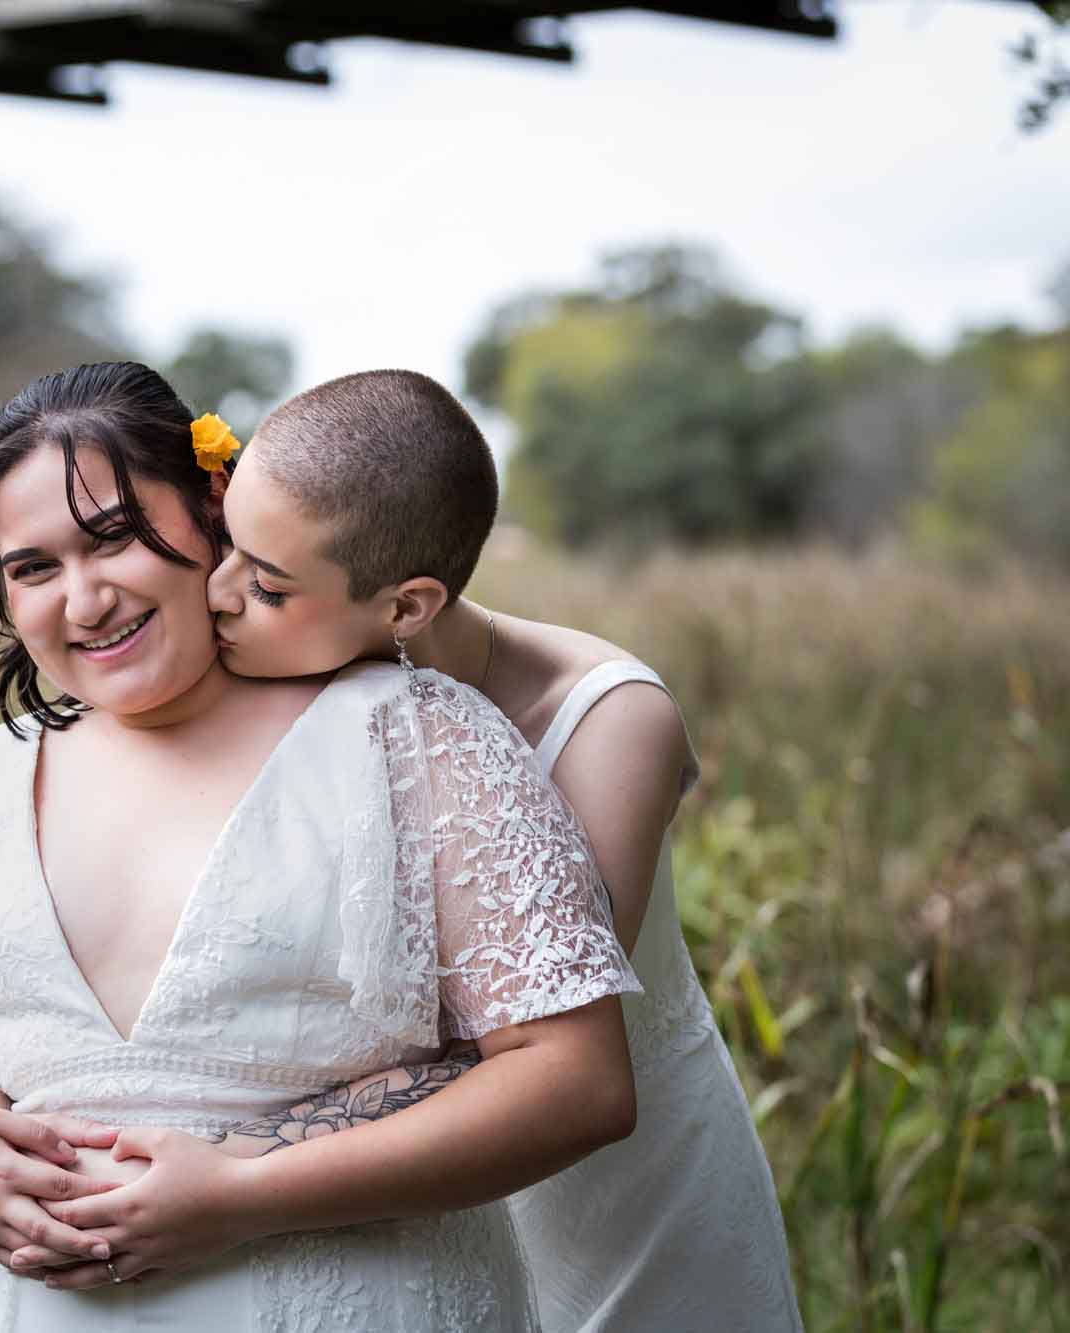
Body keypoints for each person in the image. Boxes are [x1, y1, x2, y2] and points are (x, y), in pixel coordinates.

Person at [0, 361, 640, 1330]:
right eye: (32, 567)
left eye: (112, 538)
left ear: (214, 506)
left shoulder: (412, 734)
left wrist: (241, 1197)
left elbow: (576, 1080)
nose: (82, 601)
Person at [183, 369, 802, 1330]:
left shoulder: (606, 720)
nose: (219, 595)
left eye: (265, 584)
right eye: (230, 548)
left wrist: (217, 1156)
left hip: (614, 1201)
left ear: (406, 606)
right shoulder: (295, 678)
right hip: (389, 1217)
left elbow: (507, 1048)